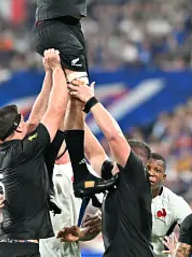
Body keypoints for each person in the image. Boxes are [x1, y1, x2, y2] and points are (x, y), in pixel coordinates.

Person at [0, 49, 69, 257]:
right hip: (21, 248)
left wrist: (49, 75)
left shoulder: (7, 152)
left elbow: (34, 120)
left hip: (3, 245)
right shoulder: (23, 153)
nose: (27, 121)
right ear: (17, 129)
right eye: (21, 120)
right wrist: (58, 68)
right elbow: (56, 111)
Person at [65, 79, 154, 257]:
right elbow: (92, 153)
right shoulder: (114, 175)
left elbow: (114, 136)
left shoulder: (136, 174)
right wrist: (77, 108)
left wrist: (91, 101)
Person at [39, 123, 107, 257]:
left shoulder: (86, 174)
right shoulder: (36, 171)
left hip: (70, 253)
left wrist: (84, 233)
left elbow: (96, 155)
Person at [148, 153, 192, 257]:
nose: (151, 173)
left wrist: (179, 254)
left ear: (164, 177)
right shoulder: (128, 196)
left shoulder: (175, 203)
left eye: (157, 170)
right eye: (148, 168)